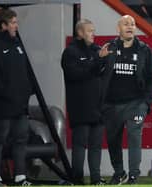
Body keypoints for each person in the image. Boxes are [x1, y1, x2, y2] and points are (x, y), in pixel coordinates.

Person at [102, 15, 152, 185]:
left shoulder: (144, 50)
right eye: (126, 24)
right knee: (113, 140)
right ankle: (119, 173)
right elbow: (98, 73)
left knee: (135, 138)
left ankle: (133, 176)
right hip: (111, 104)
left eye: (132, 24)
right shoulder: (109, 48)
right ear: (118, 28)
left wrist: (146, 102)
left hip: (136, 103)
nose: (130, 26)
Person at [0, 9, 33, 186]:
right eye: (13, 22)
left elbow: (24, 73)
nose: (16, 26)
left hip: (20, 106)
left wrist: (27, 92)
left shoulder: (17, 45)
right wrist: (7, 94)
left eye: (16, 22)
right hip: (2, 106)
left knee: (21, 140)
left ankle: (20, 177)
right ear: (3, 25)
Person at [61, 19, 109, 185]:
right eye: (89, 31)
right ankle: (77, 179)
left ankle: (96, 179)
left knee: (96, 146)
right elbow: (75, 75)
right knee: (80, 144)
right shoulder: (70, 52)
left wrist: (103, 59)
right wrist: (97, 60)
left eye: (93, 30)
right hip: (80, 107)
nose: (93, 34)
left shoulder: (97, 50)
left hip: (99, 107)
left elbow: (103, 70)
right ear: (80, 33)